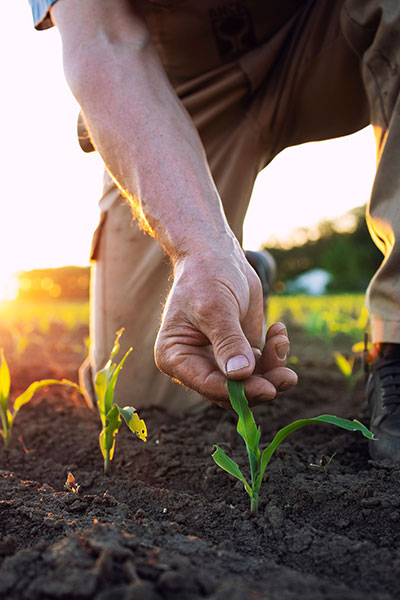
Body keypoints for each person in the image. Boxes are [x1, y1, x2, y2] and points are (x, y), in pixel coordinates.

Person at [29, 0, 400, 461]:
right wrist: (199, 248)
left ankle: (397, 338)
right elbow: (103, 41)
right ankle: (238, 273)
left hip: (328, 30)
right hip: (178, 85)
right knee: (149, 395)